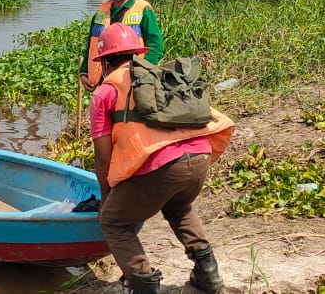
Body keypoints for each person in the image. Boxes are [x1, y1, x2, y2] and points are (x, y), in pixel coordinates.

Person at [89, 23, 235, 294]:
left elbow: (102, 157)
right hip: (199, 157)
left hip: (164, 167)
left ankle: (143, 284)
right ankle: (209, 277)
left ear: (105, 61)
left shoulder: (105, 93)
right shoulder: (158, 76)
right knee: (179, 208)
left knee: (113, 221)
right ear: (136, 54)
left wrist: (107, 198)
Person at [79, 0, 164, 92]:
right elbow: (91, 46)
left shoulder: (143, 10)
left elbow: (156, 46)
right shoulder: (101, 13)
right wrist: (84, 73)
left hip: (134, 80)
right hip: (106, 82)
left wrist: (141, 72)